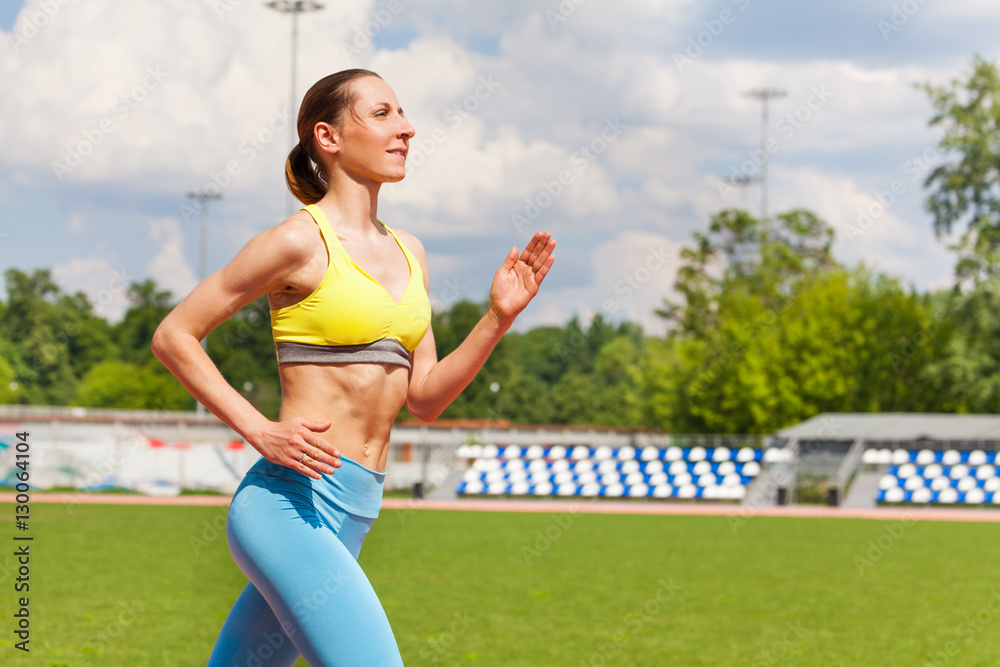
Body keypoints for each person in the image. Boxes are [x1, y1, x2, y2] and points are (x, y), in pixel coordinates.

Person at [152, 68, 556, 666]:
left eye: (403, 115)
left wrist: (497, 316)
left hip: (357, 508)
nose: (407, 129)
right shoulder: (297, 241)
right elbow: (174, 334)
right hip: (289, 505)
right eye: (384, 114)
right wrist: (259, 428)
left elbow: (425, 397)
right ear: (329, 136)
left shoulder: (408, 250)